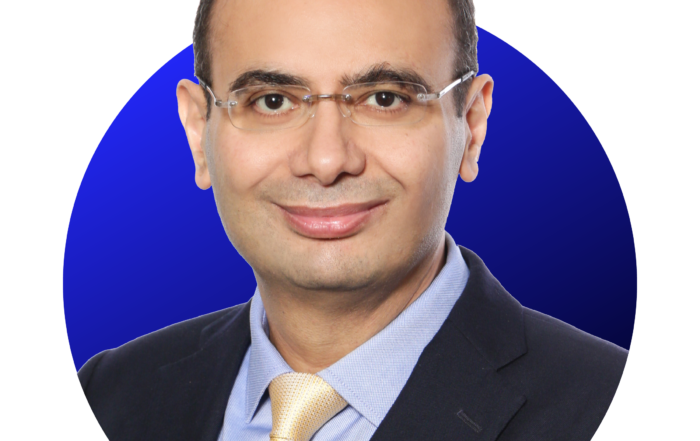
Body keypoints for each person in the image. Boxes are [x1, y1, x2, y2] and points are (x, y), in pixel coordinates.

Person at [77, 0, 629, 440]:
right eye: (272, 101)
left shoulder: (598, 400)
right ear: (200, 133)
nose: (326, 161)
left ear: (471, 125)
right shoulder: (111, 395)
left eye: (384, 98)